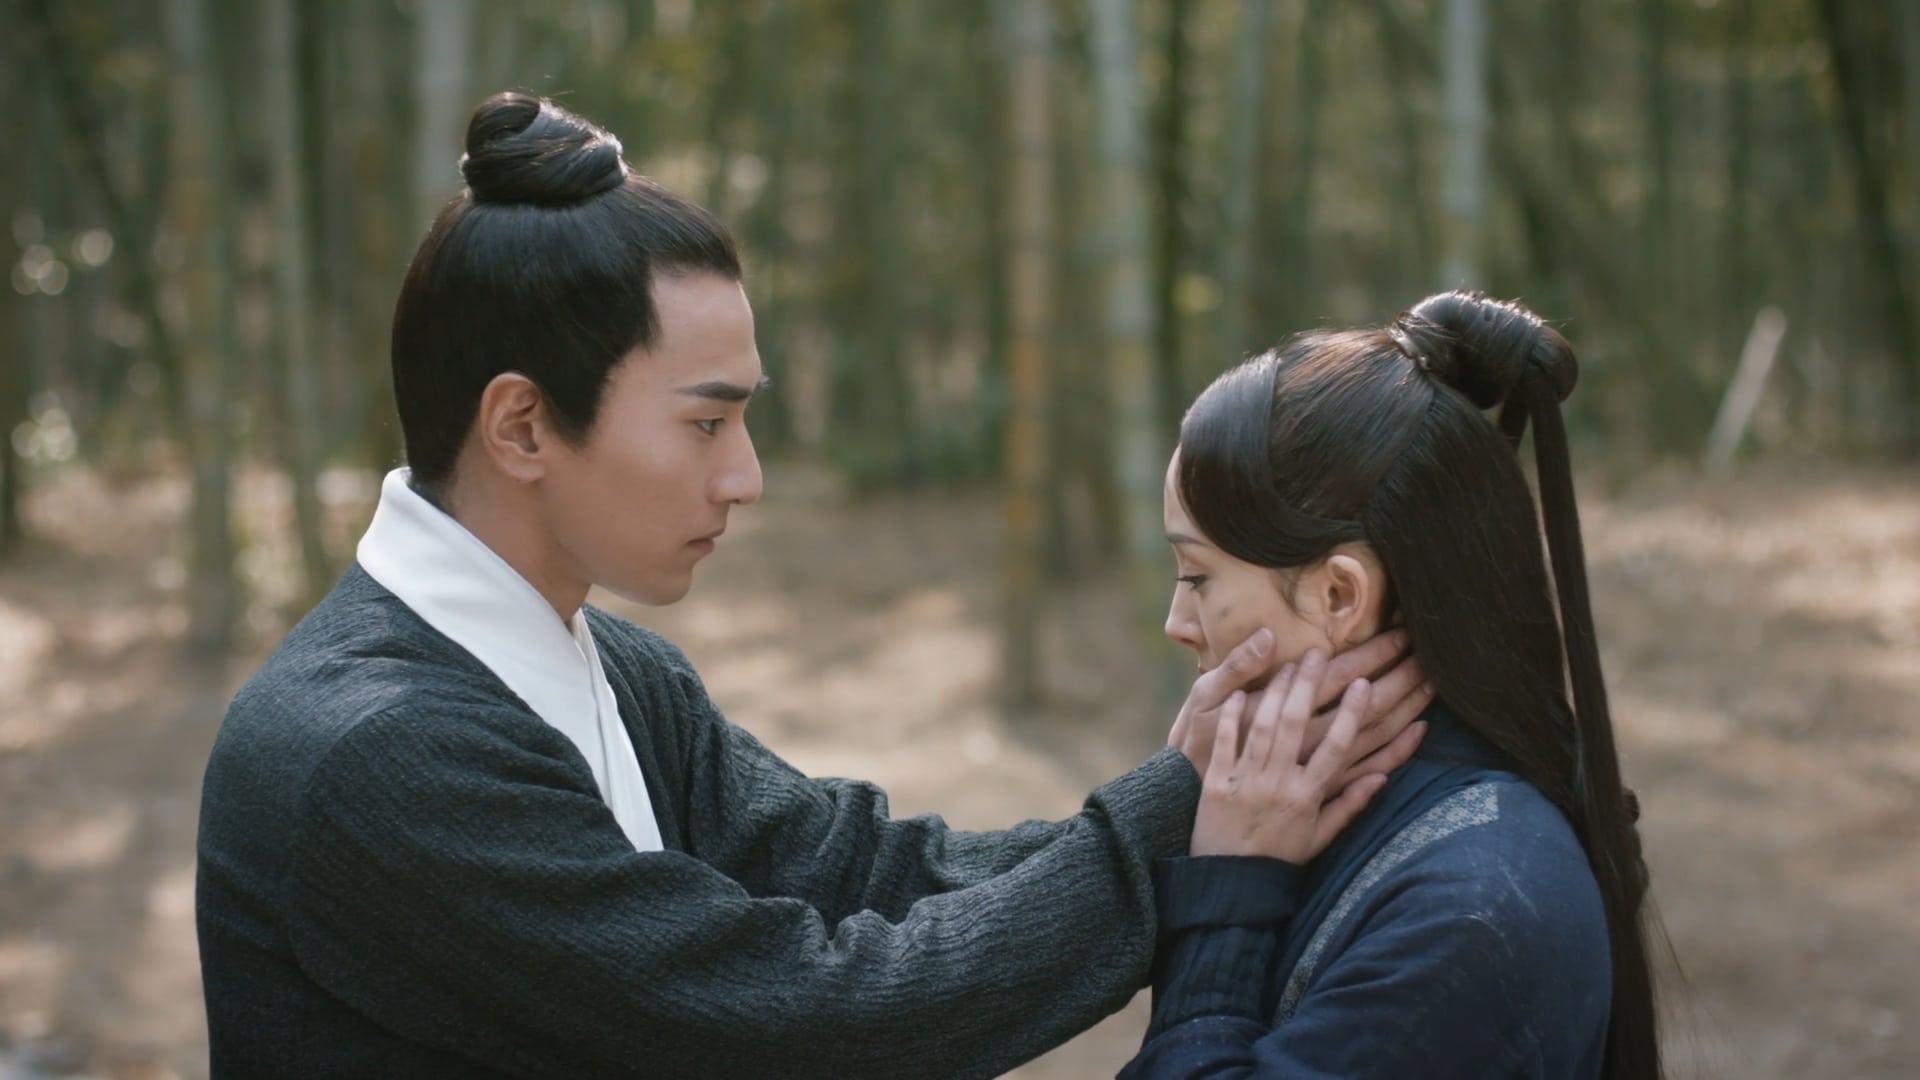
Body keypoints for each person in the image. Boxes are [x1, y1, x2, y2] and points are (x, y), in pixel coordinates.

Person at [192, 92, 1433, 1079]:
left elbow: (868, 872)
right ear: (521, 426)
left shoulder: (618, 672)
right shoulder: (374, 757)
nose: (747, 477)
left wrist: (1209, 802)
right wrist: (1192, 819)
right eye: (706, 423)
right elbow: (802, 1020)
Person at [1122, 293, 1660, 1078]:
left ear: (1340, 596)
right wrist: (1179, 812)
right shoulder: (1306, 814)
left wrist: (1225, 893)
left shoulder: (1474, 911)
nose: (1178, 622)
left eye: (1198, 577)